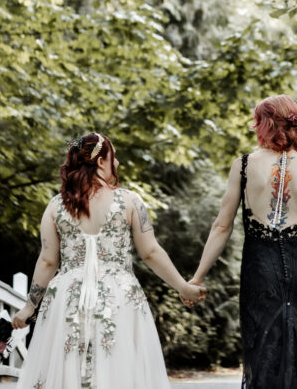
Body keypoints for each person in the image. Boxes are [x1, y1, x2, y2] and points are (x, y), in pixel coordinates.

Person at [12, 132, 205, 388]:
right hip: (119, 297)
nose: (117, 163)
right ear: (101, 161)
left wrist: (29, 307)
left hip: (68, 298)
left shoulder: (56, 206)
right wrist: (183, 287)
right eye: (113, 158)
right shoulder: (130, 201)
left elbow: (48, 261)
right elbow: (150, 252)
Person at [190, 95, 297, 389]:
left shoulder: (244, 165)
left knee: (263, 347)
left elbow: (222, 226)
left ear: (265, 124)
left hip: (260, 268)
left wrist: (198, 277)